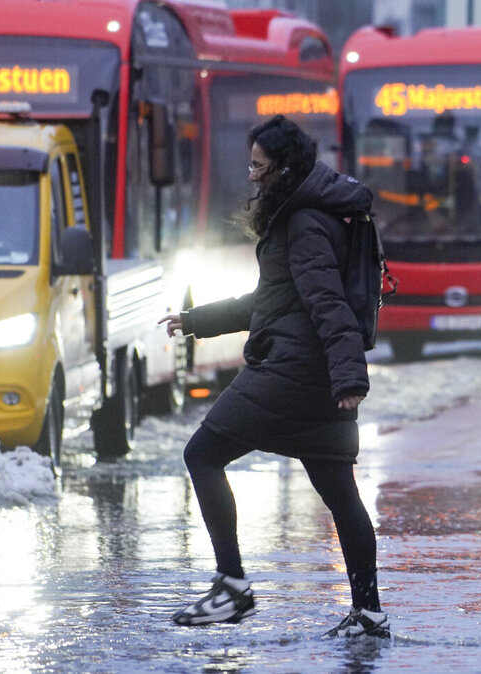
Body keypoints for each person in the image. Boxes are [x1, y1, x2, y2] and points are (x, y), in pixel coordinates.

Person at [159, 115, 388, 638]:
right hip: (315, 379)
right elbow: (270, 301)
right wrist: (197, 321)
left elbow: (328, 303)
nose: (253, 175)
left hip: (292, 372)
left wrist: (351, 378)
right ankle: (369, 613)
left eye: (260, 166)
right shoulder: (305, 215)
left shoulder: (304, 223)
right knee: (341, 493)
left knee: (203, 453)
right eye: (252, 164)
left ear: (285, 169)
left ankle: (232, 587)